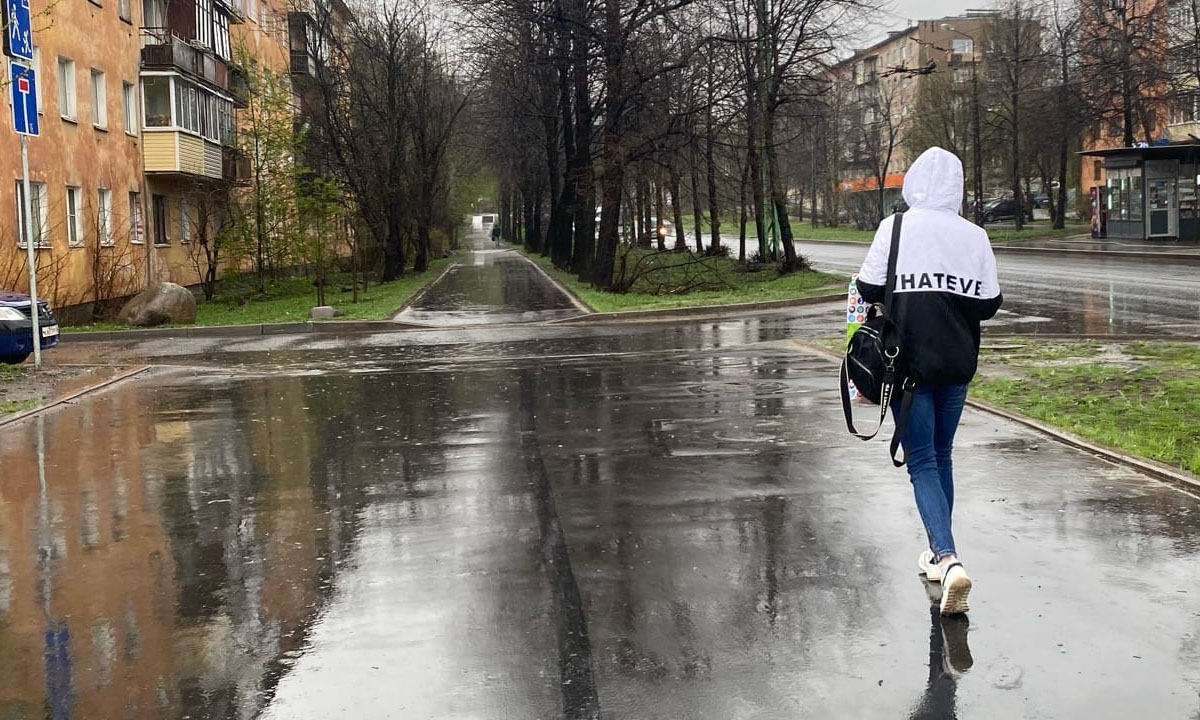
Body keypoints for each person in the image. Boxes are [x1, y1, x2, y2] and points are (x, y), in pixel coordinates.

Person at [855, 147, 1003, 616]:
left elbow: (867, 287)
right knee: (941, 456)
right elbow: (989, 303)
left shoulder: (894, 227)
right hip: (957, 363)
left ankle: (947, 556)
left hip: (907, 366)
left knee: (921, 461)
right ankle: (942, 554)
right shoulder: (974, 235)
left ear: (913, 182)